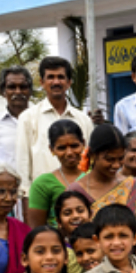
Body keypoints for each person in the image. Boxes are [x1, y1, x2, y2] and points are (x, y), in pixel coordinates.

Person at [16, 57, 95, 192]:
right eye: (50, 77)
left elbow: (91, 159)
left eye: (61, 77)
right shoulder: (28, 118)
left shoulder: (83, 120)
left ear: (69, 82)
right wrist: (25, 196)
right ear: (42, 82)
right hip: (43, 194)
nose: (56, 82)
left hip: (80, 193)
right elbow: (23, 161)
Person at [68, 125, 136, 219]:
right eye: (109, 159)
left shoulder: (131, 186)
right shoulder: (76, 191)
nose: (116, 165)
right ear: (92, 155)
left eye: (121, 158)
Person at [26, 120, 86, 228]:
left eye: (74, 146)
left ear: (83, 144)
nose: (69, 153)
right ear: (51, 149)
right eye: (61, 148)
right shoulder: (43, 184)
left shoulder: (96, 176)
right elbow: (37, 230)